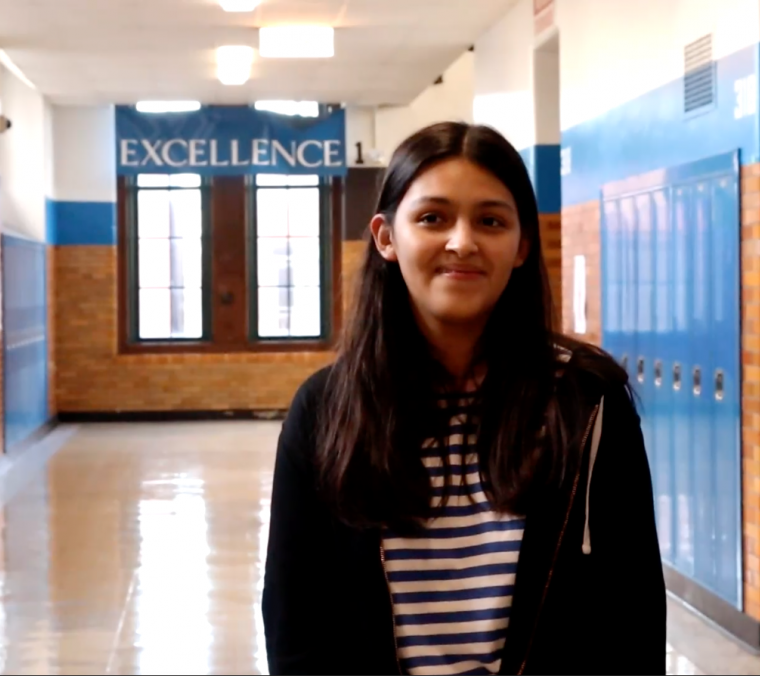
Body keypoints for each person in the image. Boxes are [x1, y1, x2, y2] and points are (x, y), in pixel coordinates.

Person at [261, 121, 665, 676]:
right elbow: (296, 624)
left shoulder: (586, 402)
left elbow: (632, 618)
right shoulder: (326, 410)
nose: (462, 241)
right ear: (386, 237)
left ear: (522, 245)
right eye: (432, 218)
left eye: (490, 221)